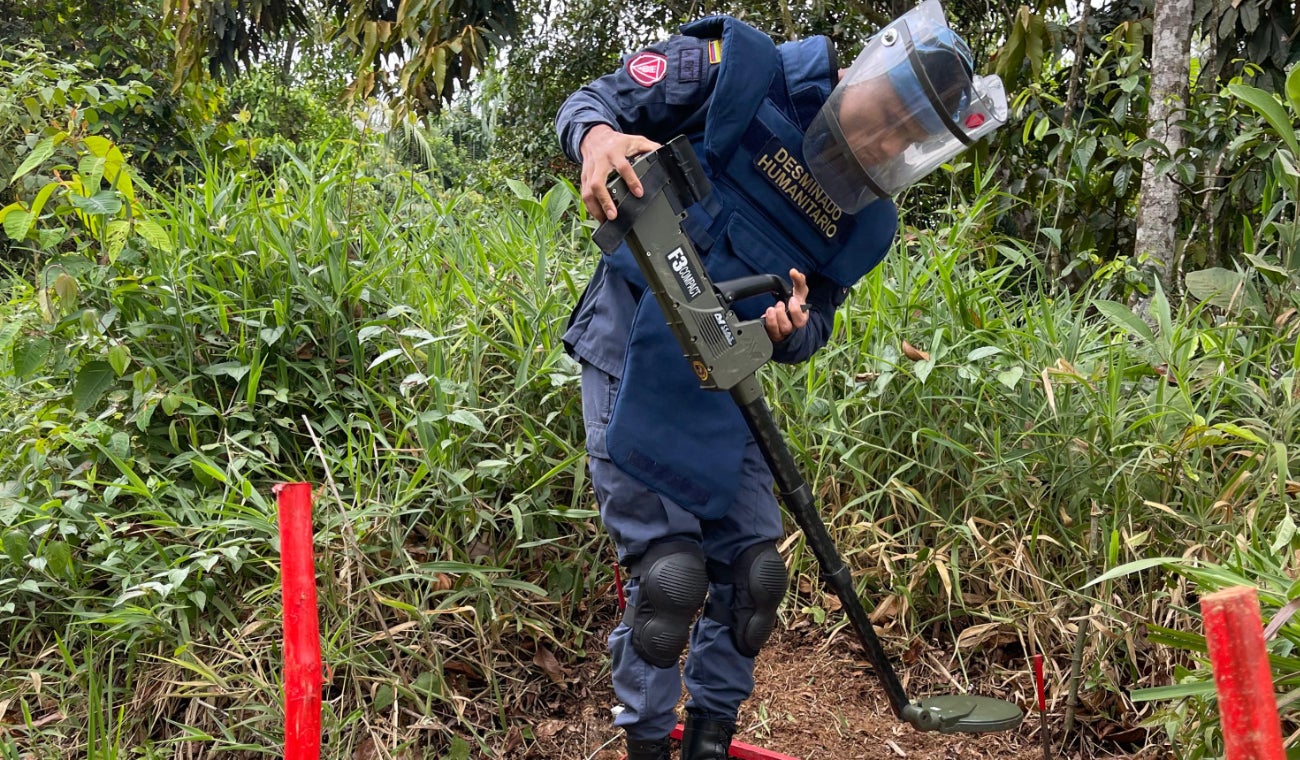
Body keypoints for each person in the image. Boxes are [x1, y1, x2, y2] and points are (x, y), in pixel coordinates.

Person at [553, 3, 1006, 758]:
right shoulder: (744, 71)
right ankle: (645, 741)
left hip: (731, 381)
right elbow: (591, 103)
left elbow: (817, 318)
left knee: (756, 578)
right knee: (670, 581)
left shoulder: (865, 220)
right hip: (631, 340)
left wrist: (794, 329)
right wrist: (598, 143)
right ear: (866, 69)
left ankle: (709, 738)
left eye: (906, 135)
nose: (884, 138)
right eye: (885, 111)